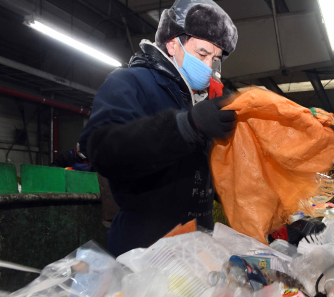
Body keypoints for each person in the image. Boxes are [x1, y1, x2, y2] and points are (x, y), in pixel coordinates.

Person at [78, 0, 238, 256]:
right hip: (145, 250)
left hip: (199, 249)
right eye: (202, 54)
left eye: (216, 59)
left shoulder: (202, 100)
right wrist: (186, 127)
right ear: (172, 43)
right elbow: (102, 147)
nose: (209, 67)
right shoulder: (129, 83)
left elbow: (214, 175)